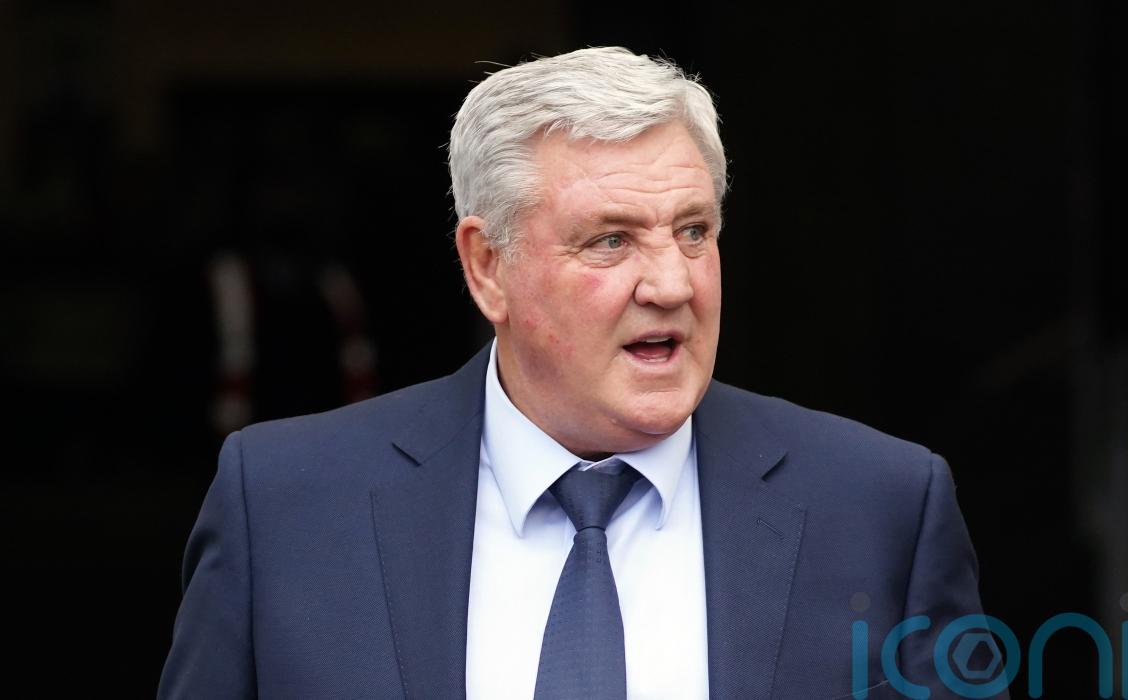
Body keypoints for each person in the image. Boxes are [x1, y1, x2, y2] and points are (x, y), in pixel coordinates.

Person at [159, 47, 999, 700]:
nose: (671, 284)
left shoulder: (882, 507)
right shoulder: (284, 506)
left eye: (694, 231)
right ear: (487, 267)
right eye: (611, 240)